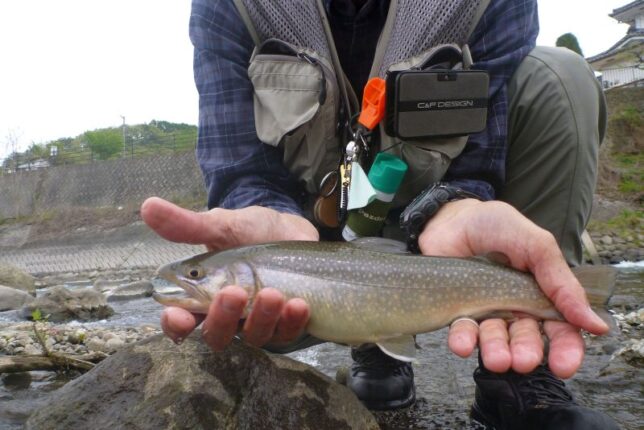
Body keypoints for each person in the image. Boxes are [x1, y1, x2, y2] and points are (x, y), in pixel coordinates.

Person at [141, 0, 619, 428]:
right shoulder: (229, 6)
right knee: (252, 326)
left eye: (198, 273)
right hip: (313, 220)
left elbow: (478, 161)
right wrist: (258, 210)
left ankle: (523, 367)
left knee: (559, 76)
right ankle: (375, 347)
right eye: (198, 273)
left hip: (431, 211)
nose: (195, 278)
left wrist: (460, 207)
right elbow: (242, 167)